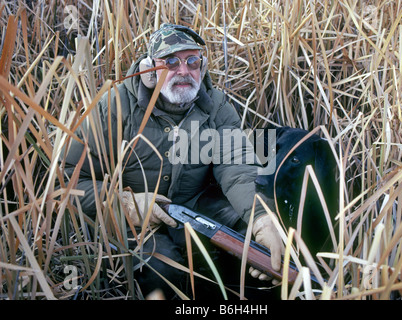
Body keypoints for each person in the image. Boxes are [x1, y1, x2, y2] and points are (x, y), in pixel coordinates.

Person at [63, 23, 283, 298]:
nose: (183, 71)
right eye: (171, 62)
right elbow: (70, 181)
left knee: (257, 240)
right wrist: (128, 203)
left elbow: (237, 165)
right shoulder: (112, 106)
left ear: (201, 67)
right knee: (162, 271)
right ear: (150, 68)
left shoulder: (216, 105)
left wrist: (262, 219)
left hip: (195, 208)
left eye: (192, 61)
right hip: (134, 223)